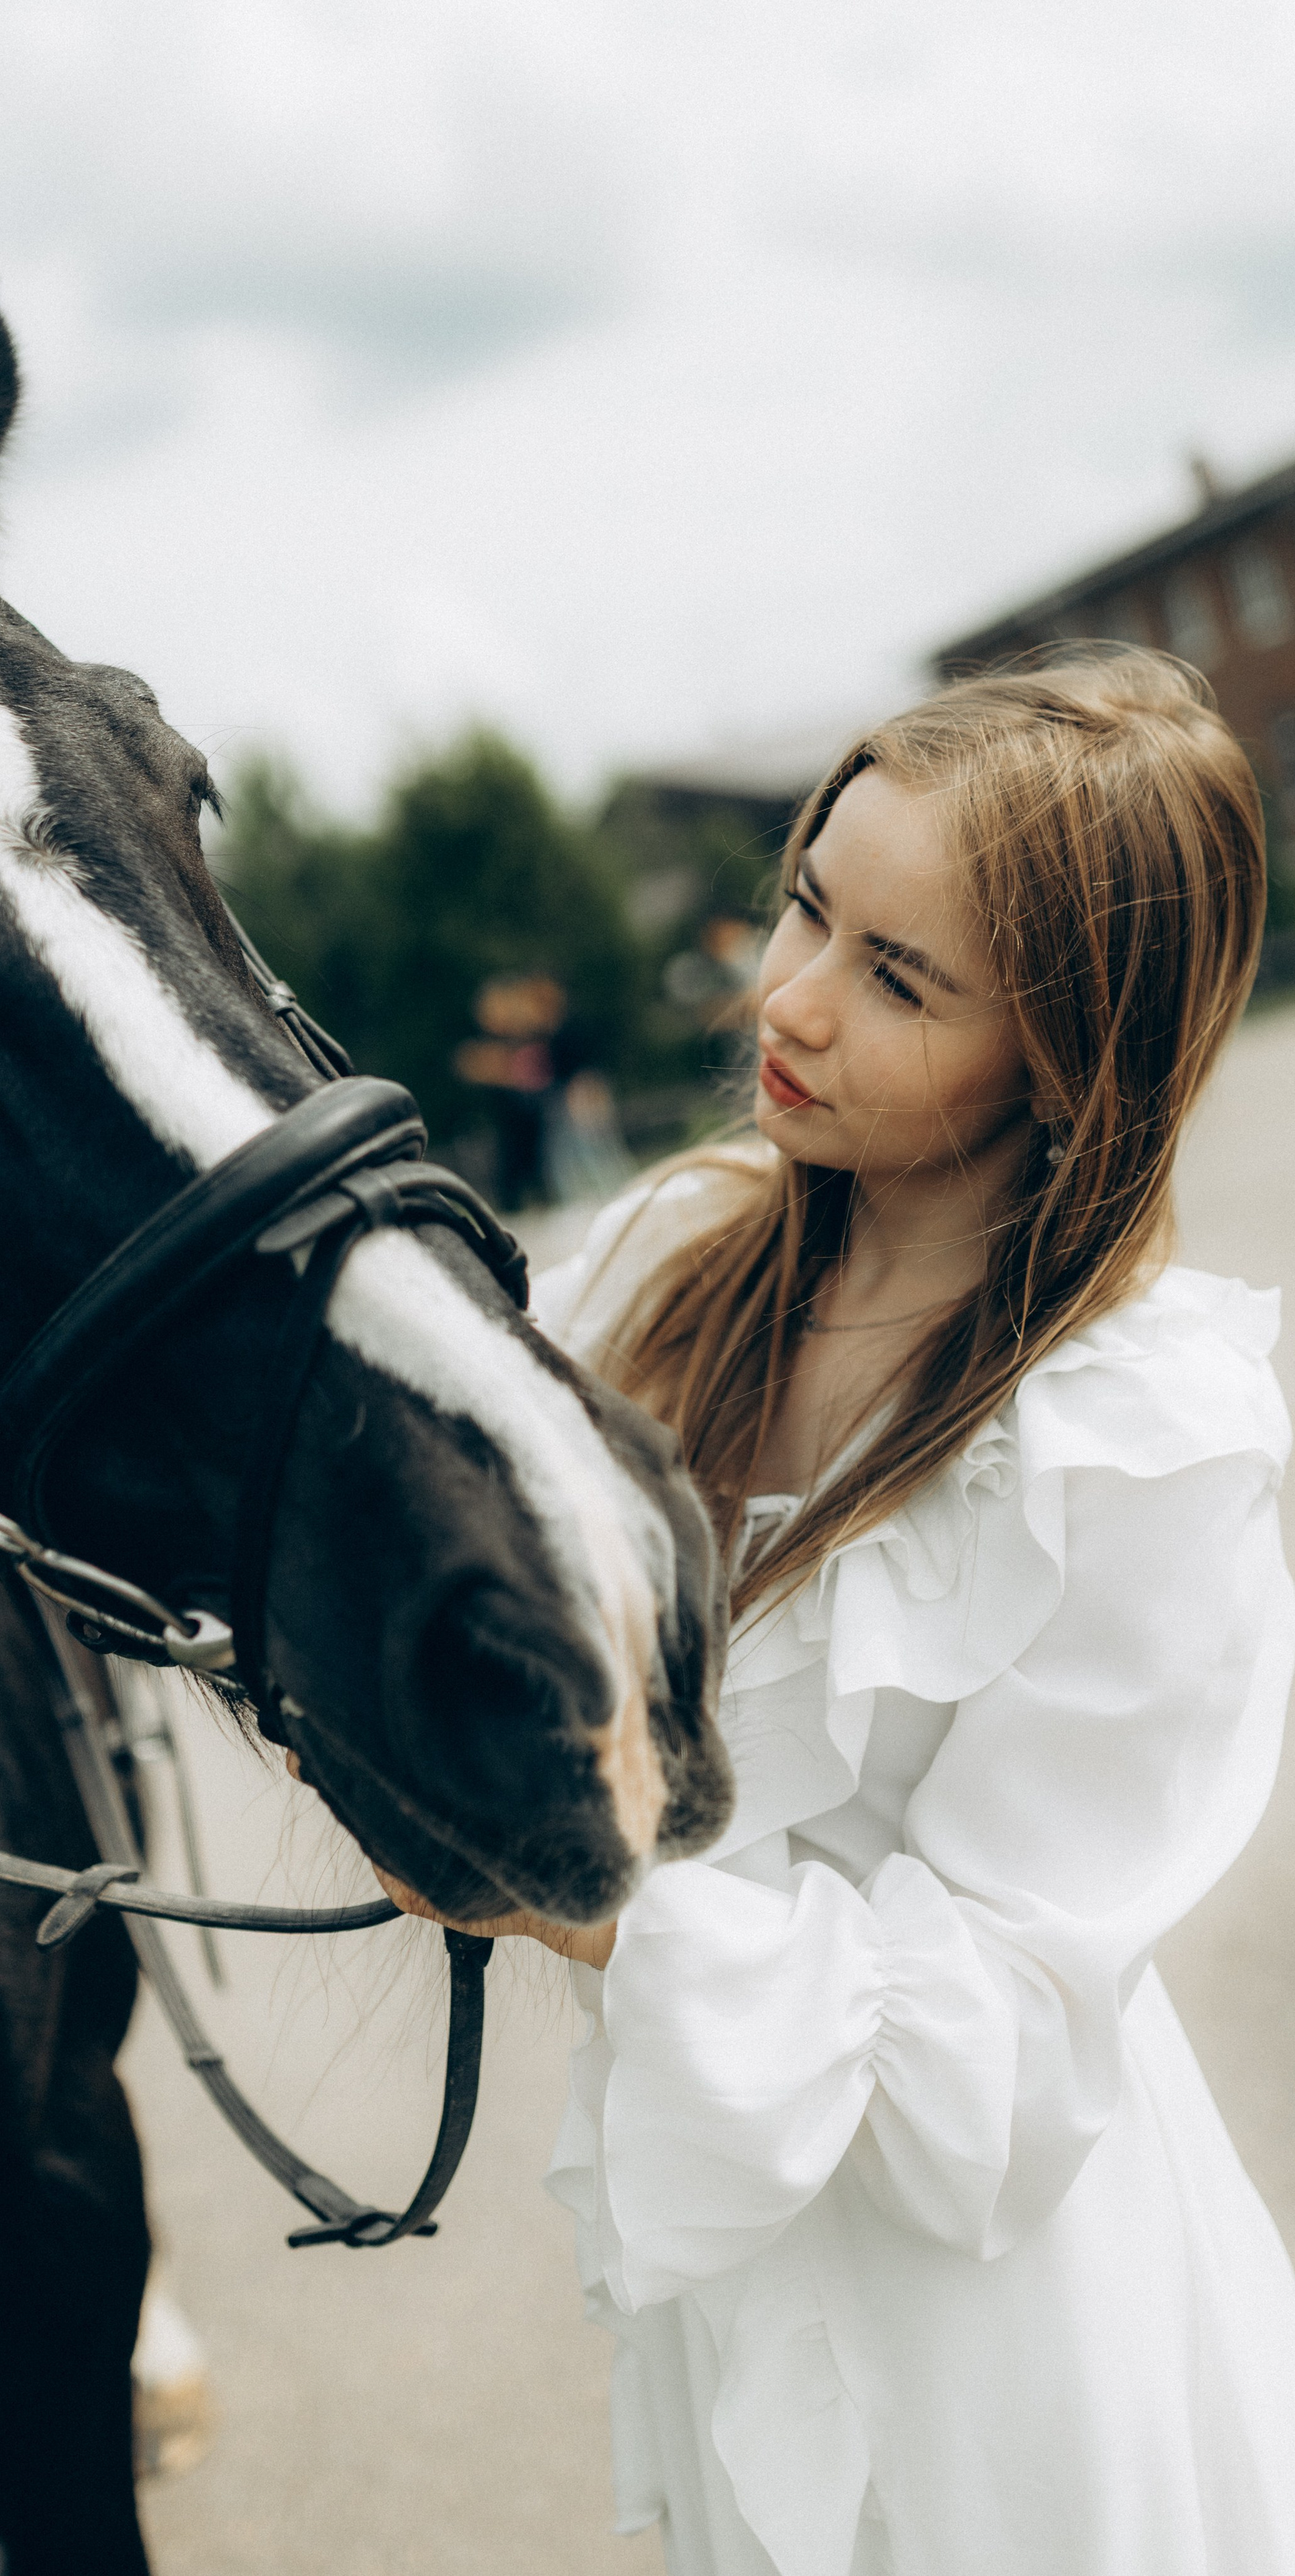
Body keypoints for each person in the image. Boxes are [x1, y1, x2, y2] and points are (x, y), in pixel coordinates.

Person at [375, 652, 1295, 2572]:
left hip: (1011, 2363)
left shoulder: (1141, 1450)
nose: (785, 998)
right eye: (810, 902)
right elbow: (376, 1441)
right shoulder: (672, 1249)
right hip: (746, 2289)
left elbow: (1003, 2057)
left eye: (901, 976)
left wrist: (565, 1885)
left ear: (1068, 1051)